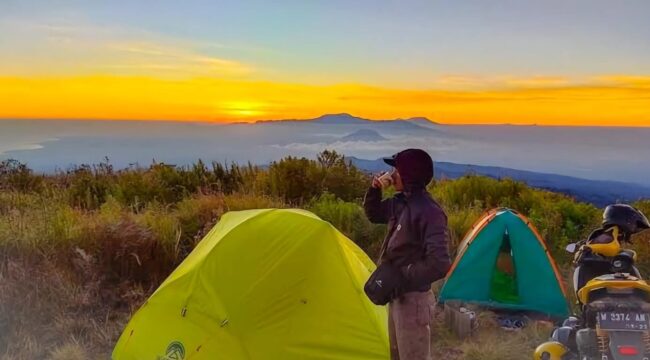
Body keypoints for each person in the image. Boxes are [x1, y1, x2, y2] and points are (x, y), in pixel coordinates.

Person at [363, 148, 451, 360]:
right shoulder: (401, 203)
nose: (392, 175)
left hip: (414, 301)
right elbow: (373, 214)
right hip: (397, 295)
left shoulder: (430, 212)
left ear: (410, 175)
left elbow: (440, 263)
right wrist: (374, 188)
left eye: (396, 170)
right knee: (397, 355)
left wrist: (404, 274)